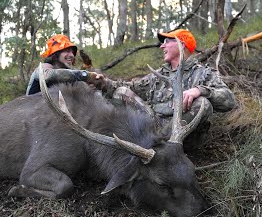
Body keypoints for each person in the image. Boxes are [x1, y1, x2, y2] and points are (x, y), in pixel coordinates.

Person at [91, 28, 236, 148]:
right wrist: (104, 83)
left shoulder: (203, 73)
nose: (162, 46)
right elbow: (130, 88)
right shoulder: (157, 75)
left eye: (167, 42)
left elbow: (229, 100)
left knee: (203, 103)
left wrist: (200, 90)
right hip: (152, 126)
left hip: (180, 138)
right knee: (121, 93)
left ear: (182, 44)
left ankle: (158, 145)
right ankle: (142, 142)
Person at [26, 34, 96, 95]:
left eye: (72, 52)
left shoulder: (69, 74)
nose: (71, 55)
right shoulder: (45, 66)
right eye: (67, 51)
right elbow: (47, 75)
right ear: (56, 54)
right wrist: (86, 75)